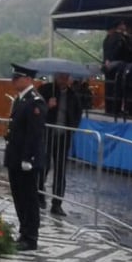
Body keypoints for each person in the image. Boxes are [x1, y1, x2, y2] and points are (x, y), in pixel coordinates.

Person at [4, 63, 47, 251]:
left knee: (29, 198)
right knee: (19, 196)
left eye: (18, 78)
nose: (15, 81)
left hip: (26, 159)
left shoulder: (35, 101)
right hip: (15, 156)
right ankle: (24, 230)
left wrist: (28, 158)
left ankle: (31, 236)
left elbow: (34, 133)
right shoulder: (21, 99)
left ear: (28, 79)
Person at [38, 71, 82, 216]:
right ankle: (39, 195)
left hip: (63, 137)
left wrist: (72, 129)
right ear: (56, 77)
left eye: (65, 77)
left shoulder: (73, 96)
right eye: (60, 77)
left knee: (60, 170)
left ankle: (57, 203)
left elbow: (77, 114)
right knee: (43, 166)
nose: (63, 80)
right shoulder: (46, 90)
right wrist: (47, 106)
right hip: (47, 134)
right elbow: (36, 110)